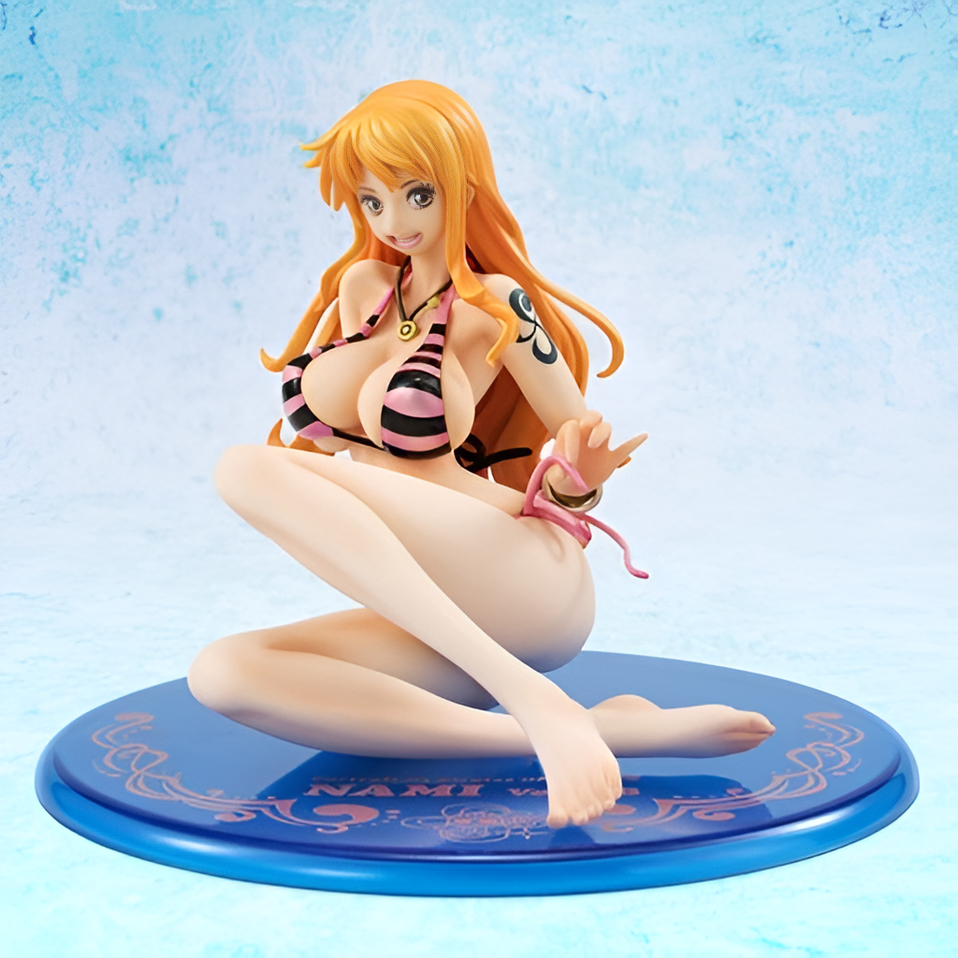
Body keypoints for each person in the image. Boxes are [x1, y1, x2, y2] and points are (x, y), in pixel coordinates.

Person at [188, 81, 774, 829]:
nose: (394, 222)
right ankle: (598, 728)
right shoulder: (362, 288)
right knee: (224, 672)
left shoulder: (497, 304)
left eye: (416, 194)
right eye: (371, 201)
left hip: (517, 575)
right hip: (435, 597)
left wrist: (579, 484)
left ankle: (531, 694)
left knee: (244, 468)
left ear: (461, 184)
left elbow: (579, 440)